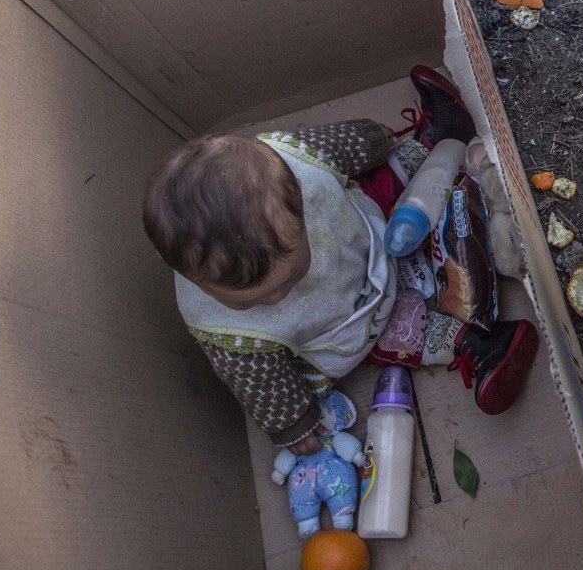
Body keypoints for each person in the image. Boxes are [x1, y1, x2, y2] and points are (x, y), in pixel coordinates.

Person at [142, 67, 537, 455]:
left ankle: (436, 139)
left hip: (361, 226)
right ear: (189, 275)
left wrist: (375, 141)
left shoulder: (297, 166)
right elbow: (262, 386)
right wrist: (295, 426)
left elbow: (337, 145)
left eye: (293, 275)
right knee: (395, 336)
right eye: (250, 301)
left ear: (297, 193)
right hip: (346, 321)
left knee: (381, 180)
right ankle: (478, 344)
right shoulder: (225, 330)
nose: (278, 297)